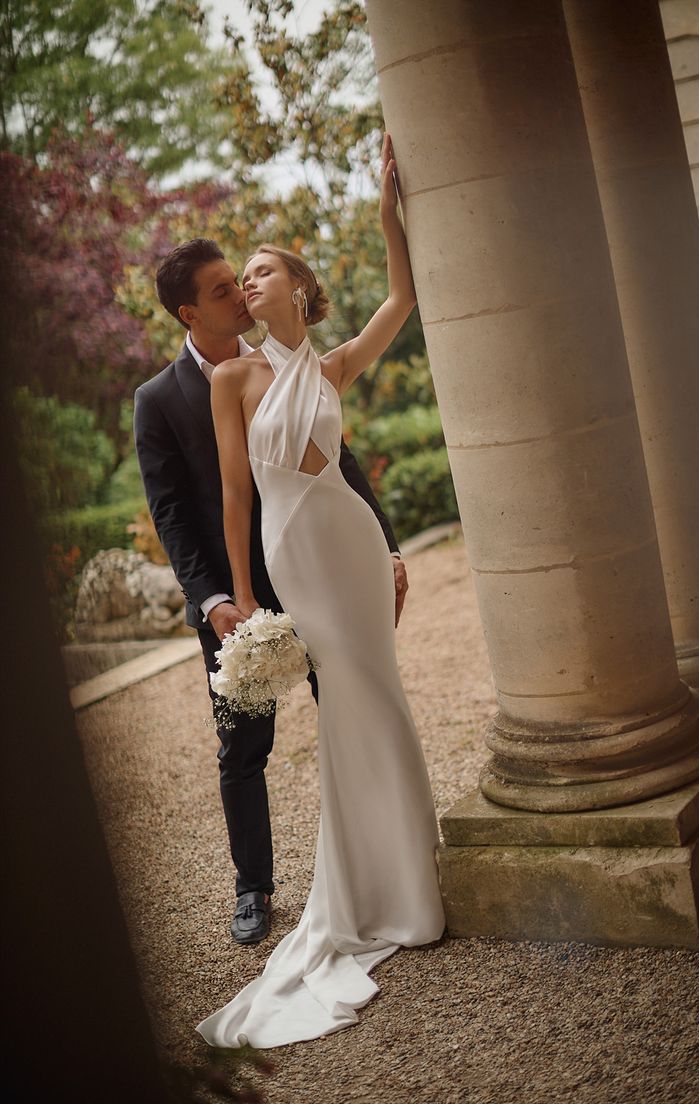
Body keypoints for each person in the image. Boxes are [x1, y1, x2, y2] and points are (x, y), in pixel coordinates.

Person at [195, 134, 446, 1050]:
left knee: (378, 692)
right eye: (244, 276)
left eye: (262, 271)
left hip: (349, 538)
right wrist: (242, 599)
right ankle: (370, 891)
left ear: (297, 288)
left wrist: (387, 213)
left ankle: (406, 882)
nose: (250, 282)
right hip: (290, 547)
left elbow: (403, 298)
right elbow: (233, 494)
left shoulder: (333, 364)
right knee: (345, 697)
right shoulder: (233, 378)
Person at [134, 237, 408, 949]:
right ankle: (252, 888)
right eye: (224, 288)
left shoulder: (303, 365)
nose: (239, 292)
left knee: (353, 703)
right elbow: (173, 508)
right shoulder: (161, 398)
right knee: (244, 746)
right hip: (241, 594)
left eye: (243, 279)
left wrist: (390, 545)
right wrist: (218, 598)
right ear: (191, 312)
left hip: (330, 566)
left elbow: (337, 462)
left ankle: (388, 859)